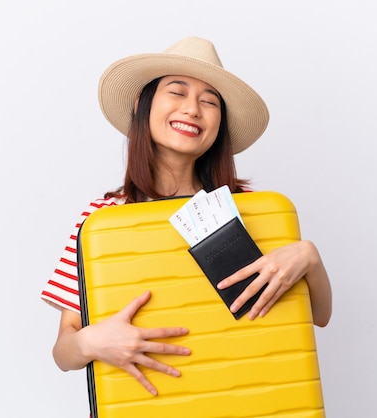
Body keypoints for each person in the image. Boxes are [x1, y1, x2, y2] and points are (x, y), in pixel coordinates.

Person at [41, 36, 332, 397]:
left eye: (209, 101)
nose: (193, 109)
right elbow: (63, 352)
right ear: (141, 105)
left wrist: (309, 257)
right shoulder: (101, 220)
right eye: (177, 92)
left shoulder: (253, 209)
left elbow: (317, 315)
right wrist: (90, 342)